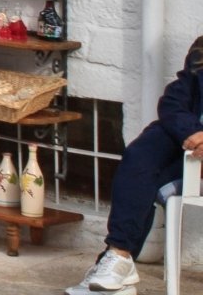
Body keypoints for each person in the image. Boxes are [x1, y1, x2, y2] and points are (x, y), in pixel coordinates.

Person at [72, 36, 203, 292]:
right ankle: (119, 257)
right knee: (140, 158)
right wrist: (193, 133)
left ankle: (116, 267)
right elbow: (173, 101)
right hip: (192, 147)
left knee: (146, 177)